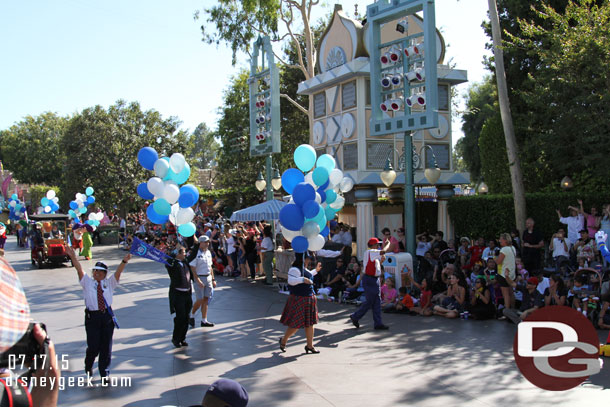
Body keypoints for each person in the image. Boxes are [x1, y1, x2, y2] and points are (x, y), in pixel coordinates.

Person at [65, 245, 130, 379]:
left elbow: (118, 273)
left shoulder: (109, 283)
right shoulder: (88, 282)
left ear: (105, 273)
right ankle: (89, 364)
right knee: (93, 346)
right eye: (95, 271)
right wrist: (73, 257)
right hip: (92, 317)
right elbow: (79, 270)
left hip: (106, 316)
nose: (97, 274)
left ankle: (104, 373)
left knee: (106, 347)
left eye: (100, 272)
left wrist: (124, 261)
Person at [279, 254, 322, 354]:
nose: (309, 261)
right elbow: (291, 281)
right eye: (307, 259)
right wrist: (303, 280)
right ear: (303, 259)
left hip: (308, 298)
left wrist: (315, 271)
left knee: (310, 324)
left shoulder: (303, 269)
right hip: (299, 298)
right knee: (296, 324)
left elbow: (307, 275)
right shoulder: (294, 269)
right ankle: (284, 340)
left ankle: (310, 346)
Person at [349, 237, 391, 330]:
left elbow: (376, 267)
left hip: (373, 279)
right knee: (370, 301)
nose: (379, 246)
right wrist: (388, 244)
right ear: (373, 245)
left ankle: (378, 323)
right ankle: (356, 316)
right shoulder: (370, 252)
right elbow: (383, 251)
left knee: (377, 302)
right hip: (370, 279)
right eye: (377, 244)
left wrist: (381, 261)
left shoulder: (372, 254)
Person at [167, 246, 203, 347]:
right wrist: (173, 253)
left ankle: (182, 338)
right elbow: (168, 260)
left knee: (186, 318)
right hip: (178, 295)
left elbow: (192, 255)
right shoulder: (172, 264)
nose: (185, 254)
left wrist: (197, 244)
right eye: (183, 252)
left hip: (187, 293)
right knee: (180, 317)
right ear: (177, 254)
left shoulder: (185, 262)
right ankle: (176, 339)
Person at [190, 235, 217, 327]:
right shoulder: (196, 253)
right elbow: (193, 267)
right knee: (200, 299)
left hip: (208, 277)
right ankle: (192, 315)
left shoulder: (208, 252)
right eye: (205, 242)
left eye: (208, 242)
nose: (207, 243)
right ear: (200, 243)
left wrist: (213, 279)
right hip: (200, 277)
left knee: (206, 299)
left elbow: (210, 267)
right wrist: (197, 280)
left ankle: (204, 320)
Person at [495, 233, 517, 309]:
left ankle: (507, 311)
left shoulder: (504, 249)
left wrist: (495, 258)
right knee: (511, 293)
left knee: (506, 294)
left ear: (505, 240)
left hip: (504, 274)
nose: (499, 240)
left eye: (501, 239)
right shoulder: (513, 248)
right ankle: (513, 308)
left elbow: (498, 261)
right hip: (511, 274)